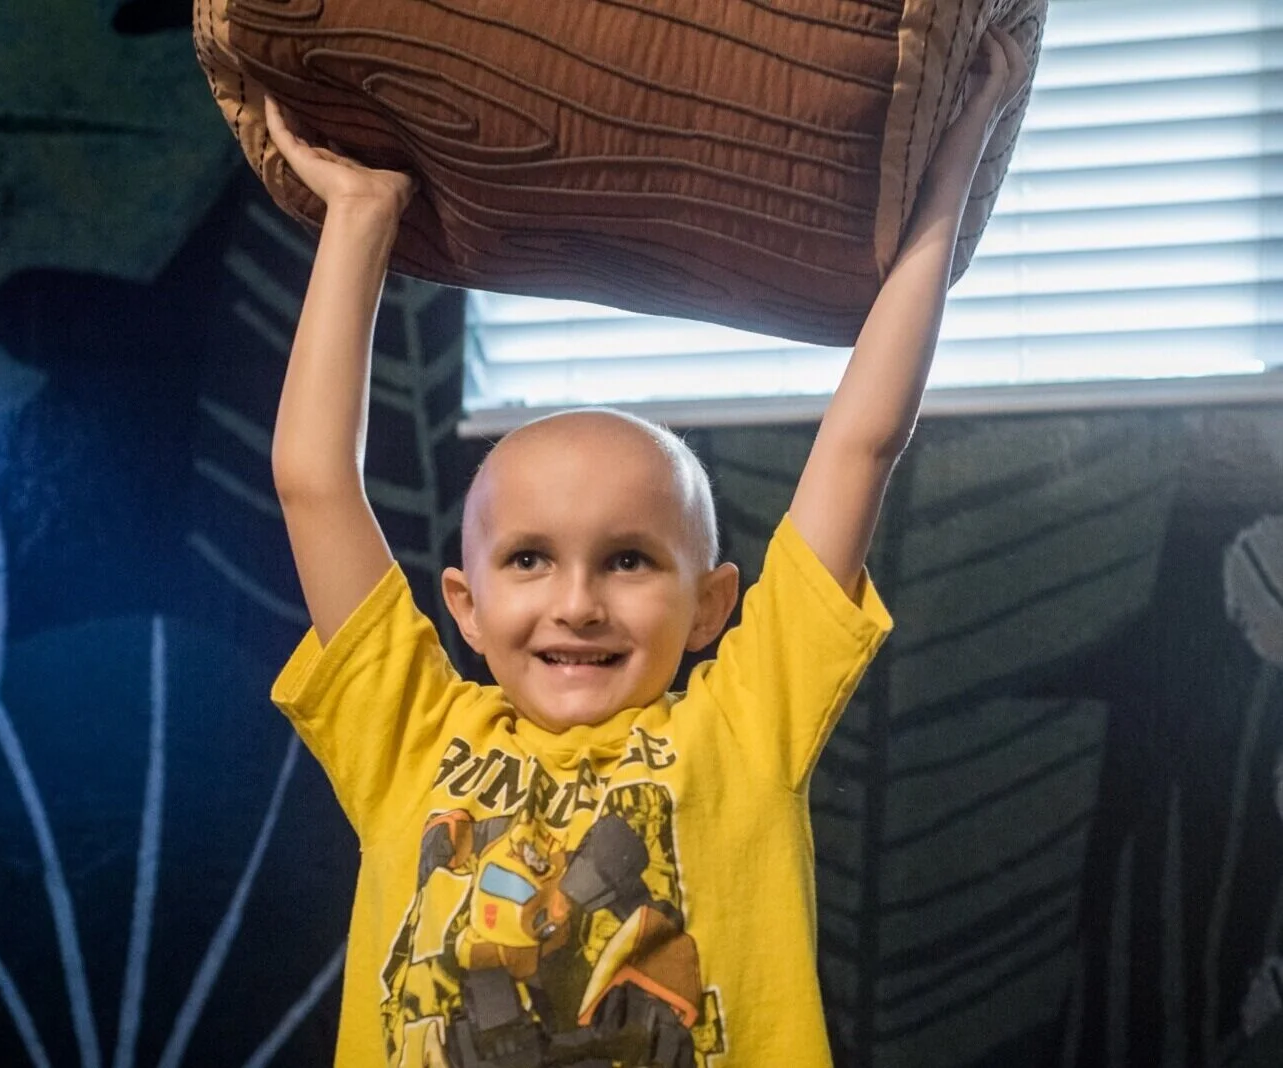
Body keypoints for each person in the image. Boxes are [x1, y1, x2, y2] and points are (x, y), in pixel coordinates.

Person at [266, 27, 1028, 1068]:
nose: (577, 602)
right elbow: (314, 485)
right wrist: (361, 218)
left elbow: (863, 442)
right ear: (466, 603)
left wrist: (955, 159)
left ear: (712, 604)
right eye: (529, 558)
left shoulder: (747, 724)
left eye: (628, 560)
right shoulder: (406, 735)